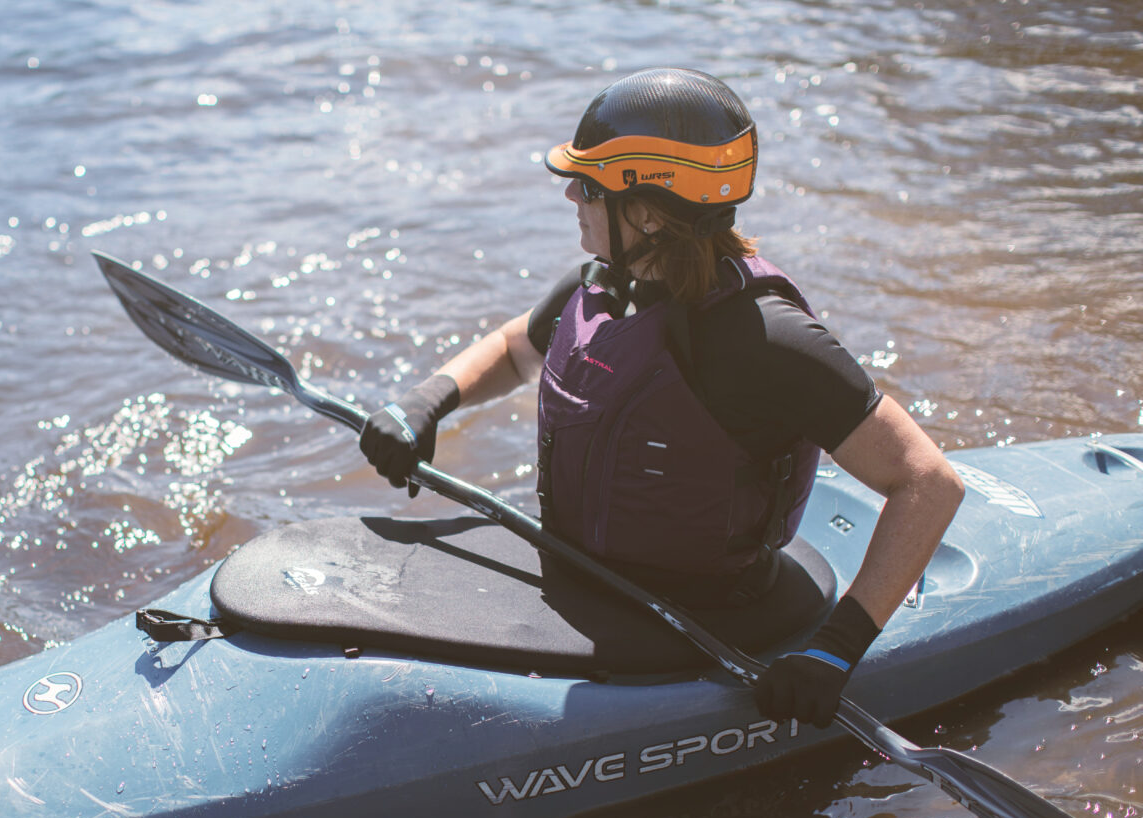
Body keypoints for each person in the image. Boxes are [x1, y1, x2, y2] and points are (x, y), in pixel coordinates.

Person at [359, 67, 964, 729]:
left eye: (590, 186)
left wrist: (835, 651)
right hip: (584, 572)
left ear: (648, 212)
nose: (570, 194)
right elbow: (513, 349)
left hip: (709, 612)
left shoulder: (766, 339)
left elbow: (928, 482)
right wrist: (425, 404)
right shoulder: (604, 288)